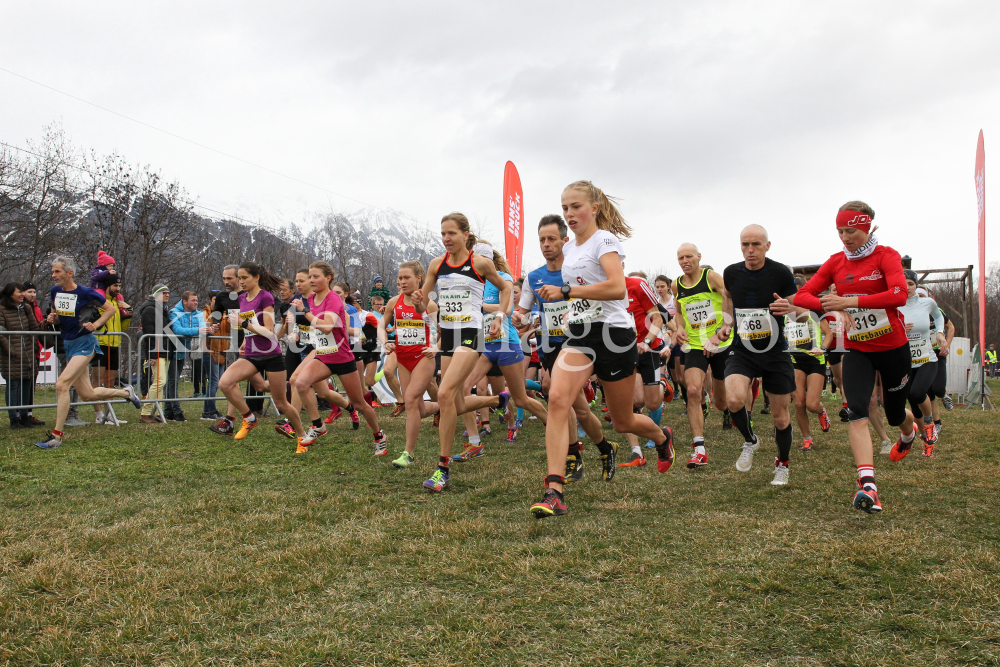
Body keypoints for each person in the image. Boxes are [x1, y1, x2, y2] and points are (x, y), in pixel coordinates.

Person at [529, 181, 674, 518]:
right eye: (565, 208)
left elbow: (615, 286)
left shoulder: (604, 240)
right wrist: (571, 309)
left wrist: (566, 292)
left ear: (594, 207)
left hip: (614, 336)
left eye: (575, 206)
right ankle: (554, 490)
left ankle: (661, 437)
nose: (569, 214)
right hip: (580, 336)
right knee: (557, 399)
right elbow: (583, 291)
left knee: (623, 421)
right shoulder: (571, 248)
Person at [792, 201, 914, 514]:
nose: (845, 237)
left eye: (852, 231)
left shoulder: (885, 256)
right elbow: (804, 295)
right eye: (840, 231)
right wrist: (830, 307)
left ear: (868, 227)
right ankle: (868, 486)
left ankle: (909, 433)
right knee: (858, 410)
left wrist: (850, 301)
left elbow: (899, 294)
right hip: (858, 349)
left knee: (895, 410)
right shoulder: (836, 262)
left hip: (893, 349)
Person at [413, 213, 515, 493]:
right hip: (449, 335)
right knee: (454, 404)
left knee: (444, 394)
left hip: (471, 335)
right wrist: (419, 301)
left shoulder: (479, 263)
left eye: (452, 233)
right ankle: (498, 400)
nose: (446, 239)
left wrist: (500, 317)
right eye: (443, 234)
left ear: (465, 234)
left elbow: (506, 288)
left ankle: (442, 468)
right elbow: (422, 308)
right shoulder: (437, 264)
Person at [515, 214, 614, 485]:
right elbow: (523, 311)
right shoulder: (534, 277)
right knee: (578, 409)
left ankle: (572, 456)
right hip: (549, 347)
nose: (546, 244)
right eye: (541, 240)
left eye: (551, 239)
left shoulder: (577, 271)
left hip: (579, 343)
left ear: (564, 240)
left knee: (556, 395)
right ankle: (605, 448)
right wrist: (519, 318)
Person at [714, 225, 798, 486]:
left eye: (756, 245)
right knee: (735, 399)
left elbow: (798, 309)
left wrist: (790, 307)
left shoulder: (781, 272)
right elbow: (728, 297)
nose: (750, 250)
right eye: (745, 245)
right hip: (743, 349)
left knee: (780, 417)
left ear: (767, 246)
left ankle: (782, 464)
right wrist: (727, 323)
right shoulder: (731, 272)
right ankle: (750, 440)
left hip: (774, 351)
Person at [452, 242, 549, 462]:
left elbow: (506, 309)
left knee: (521, 399)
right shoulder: (474, 282)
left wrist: (479, 306)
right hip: (485, 346)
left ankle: (552, 424)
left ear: (486, 260)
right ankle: (475, 443)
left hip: (507, 344)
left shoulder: (501, 276)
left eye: (475, 259)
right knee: (464, 387)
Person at [34, 257, 141, 448]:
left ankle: (56, 437)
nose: (53, 275)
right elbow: (59, 318)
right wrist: (52, 318)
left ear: (69, 273)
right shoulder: (55, 291)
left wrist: (96, 324)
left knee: (61, 384)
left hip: (85, 343)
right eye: (52, 271)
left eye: (57, 271)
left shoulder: (85, 292)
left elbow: (110, 310)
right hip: (68, 344)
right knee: (88, 394)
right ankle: (126, 392)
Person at [290, 262, 387, 454]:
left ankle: (379, 435)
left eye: (315, 276)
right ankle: (318, 426)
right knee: (300, 383)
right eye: (309, 277)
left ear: (328, 278)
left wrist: (305, 312)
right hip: (323, 355)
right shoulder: (310, 298)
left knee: (359, 403)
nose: (311, 280)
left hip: (342, 357)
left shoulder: (332, 299)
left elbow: (326, 327)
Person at [216, 262, 310, 447]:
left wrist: (243, 325)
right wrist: (244, 341)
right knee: (225, 383)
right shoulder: (242, 298)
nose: (241, 282)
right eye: (240, 278)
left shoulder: (265, 297)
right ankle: (249, 417)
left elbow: (268, 330)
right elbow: (250, 326)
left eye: (245, 278)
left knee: (281, 403)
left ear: (256, 277)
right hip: (251, 354)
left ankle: (301, 436)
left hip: (270, 354)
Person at [672, 243, 732, 468]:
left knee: (723, 401)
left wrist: (722, 329)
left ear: (698, 257)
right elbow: (678, 311)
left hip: (720, 342)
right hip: (695, 344)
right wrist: (679, 328)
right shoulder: (677, 284)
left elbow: (729, 297)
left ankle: (731, 414)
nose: (684, 260)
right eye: (680, 258)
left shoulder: (712, 277)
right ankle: (699, 449)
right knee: (694, 390)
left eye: (688, 256)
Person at [378, 260, 440, 467]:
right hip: (403, 358)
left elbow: (445, 330)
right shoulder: (393, 302)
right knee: (418, 408)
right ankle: (444, 406)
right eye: (399, 278)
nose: (402, 282)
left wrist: (436, 347)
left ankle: (408, 453)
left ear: (418, 279)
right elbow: (382, 324)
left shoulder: (428, 304)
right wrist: (384, 342)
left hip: (423, 357)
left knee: (411, 399)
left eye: (406, 278)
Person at [209, 265, 268, 435]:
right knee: (259, 385)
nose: (226, 282)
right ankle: (292, 387)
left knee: (241, 383)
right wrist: (214, 324)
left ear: (240, 278)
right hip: (239, 344)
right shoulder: (222, 296)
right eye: (224, 278)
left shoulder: (250, 295)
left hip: (257, 344)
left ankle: (230, 420)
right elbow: (217, 313)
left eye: (230, 278)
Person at [618, 271, 668, 467]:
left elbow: (659, 318)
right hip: (622, 352)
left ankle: (663, 384)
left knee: (652, 403)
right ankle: (636, 452)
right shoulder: (600, 290)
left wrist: (647, 341)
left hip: (649, 350)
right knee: (632, 402)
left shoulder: (637, 285)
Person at [898, 271, 948, 456]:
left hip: (928, 359)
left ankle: (930, 425)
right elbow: (884, 328)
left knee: (918, 393)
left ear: (916, 285)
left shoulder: (927, 303)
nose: (907, 287)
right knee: (913, 404)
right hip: (906, 361)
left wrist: (940, 334)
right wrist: (898, 328)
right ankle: (927, 443)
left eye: (910, 283)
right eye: (903, 284)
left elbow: (939, 317)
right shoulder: (894, 305)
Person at [785, 307, 832, 451]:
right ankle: (807, 439)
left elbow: (828, 333)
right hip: (795, 360)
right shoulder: (786, 313)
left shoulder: (815, 311)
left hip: (815, 359)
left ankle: (820, 411)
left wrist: (823, 348)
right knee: (799, 403)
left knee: (811, 405)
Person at [0, 283, 42, 429]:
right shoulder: (2, 309)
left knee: (26, 384)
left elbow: (33, 328)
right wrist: (12, 350)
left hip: (28, 353)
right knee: (13, 386)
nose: (22, 294)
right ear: (11, 293)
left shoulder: (26, 308)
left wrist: (32, 346)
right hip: (11, 355)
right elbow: (1, 333)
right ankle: (14, 418)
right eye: (20, 292)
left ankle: (24, 416)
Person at [91, 276, 132, 424]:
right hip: (100, 343)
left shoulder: (117, 302)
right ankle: (99, 414)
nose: (117, 289)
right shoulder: (100, 301)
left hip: (115, 343)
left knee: (110, 381)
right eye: (115, 285)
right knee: (97, 380)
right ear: (107, 286)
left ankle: (109, 414)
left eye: (119, 286)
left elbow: (125, 327)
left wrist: (128, 311)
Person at [164, 291, 208, 422]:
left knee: (173, 381)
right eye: (193, 300)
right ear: (184, 301)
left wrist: (210, 330)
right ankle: (177, 412)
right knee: (173, 382)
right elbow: (178, 330)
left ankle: (168, 411)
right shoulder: (174, 313)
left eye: (196, 300)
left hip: (183, 350)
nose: (196, 302)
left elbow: (202, 328)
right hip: (172, 350)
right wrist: (197, 330)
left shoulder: (197, 314)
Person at [138, 285, 175, 424]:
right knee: (160, 381)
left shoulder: (162, 309)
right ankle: (146, 412)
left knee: (160, 382)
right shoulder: (149, 310)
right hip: (157, 351)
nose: (167, 295)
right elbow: (150, 334)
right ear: (156, 294)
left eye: (168, 293)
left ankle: (153, 411)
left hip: (165, 350)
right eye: (164, 293)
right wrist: (152, 354)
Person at [925, 289, 956, 434]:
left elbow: (951, 327)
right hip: (922, 354)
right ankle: (937, 423)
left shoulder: (937, 311)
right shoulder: (910, 312)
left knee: (937, 389)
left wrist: (947, 345)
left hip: (938, 351)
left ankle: (943, 395)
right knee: (928, 393)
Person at [201, 291, 226, 421]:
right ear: (210, 300)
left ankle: (208, 410)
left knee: (217, 382)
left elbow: (228, 328)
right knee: (214, 381)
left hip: (222, 350)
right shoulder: (206, 313)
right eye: (215, 299)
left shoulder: (224, 314)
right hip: (210, 351)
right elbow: (204, 327)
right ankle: (210, 411)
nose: (217, 302)